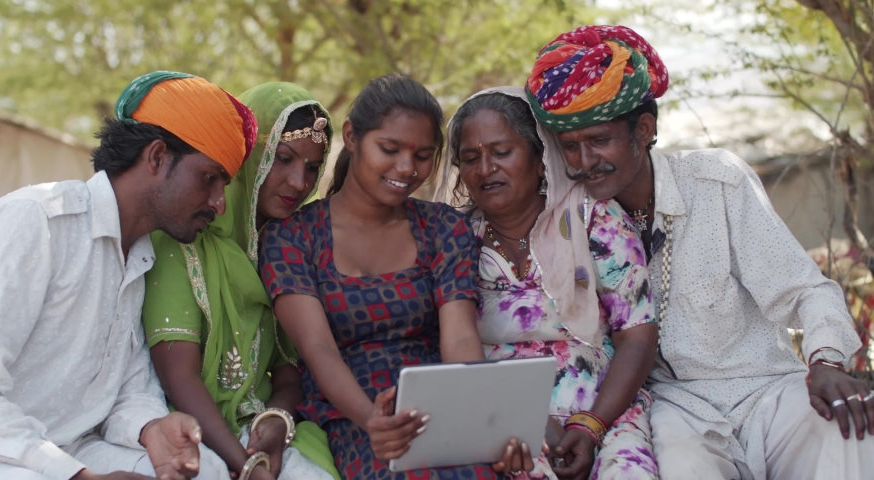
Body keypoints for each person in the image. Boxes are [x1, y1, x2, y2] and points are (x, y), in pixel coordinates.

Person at [525, 25, 874, 479]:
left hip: (766, 391)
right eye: (571, 147)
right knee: (682, 466)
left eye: (600, 140)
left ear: (644, 129)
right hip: (674, 408)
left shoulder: (717, 182)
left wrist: (826, 361)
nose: (585, 160)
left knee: (847, 429)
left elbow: (806, 289)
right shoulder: (572, 221)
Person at [0, 71, 257, 480]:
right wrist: (79, 476)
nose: (219, 204)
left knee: (204, 469)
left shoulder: (141, 254)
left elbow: (129, 391)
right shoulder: (36, 222)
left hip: (76, 448)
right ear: (156, 157)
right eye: (209, 178)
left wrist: (153, 428)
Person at [260, 74, 530, 479]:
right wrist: (373, 421)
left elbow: (458, 338)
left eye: (423, 156)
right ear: (352, 137)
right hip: (352, 412)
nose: (406, 169)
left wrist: (484, 421)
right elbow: (318, 349)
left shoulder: (443, 227)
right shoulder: (293, 236)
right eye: (389, 149)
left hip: (441, 403)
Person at [434, 86, 659, 480]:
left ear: (541, 158)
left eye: (502, 152)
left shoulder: (593, 221)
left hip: (606, 411)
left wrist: (591, 425)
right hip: (502, 422)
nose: (485, 169)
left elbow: (637, 335)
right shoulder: (454, 240)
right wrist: (524, 422)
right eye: (471, 158)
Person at [142, 82, 340, 480]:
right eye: (282, 159)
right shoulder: (182, 236)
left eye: (312, 167)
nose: (299, 182)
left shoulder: (287, 246)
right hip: (181, 426)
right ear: (249, 157)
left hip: (258, 426)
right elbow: (178, 376)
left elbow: (289, 367)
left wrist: (278, 421)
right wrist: (247, 463)